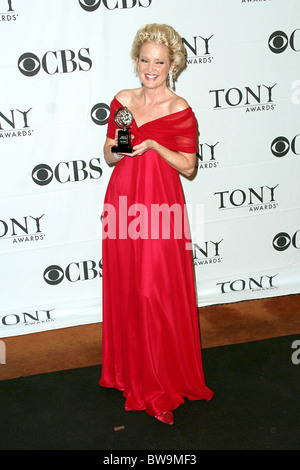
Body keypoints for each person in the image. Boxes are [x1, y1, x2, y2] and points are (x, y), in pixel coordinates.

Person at [99, 23, 213, 425]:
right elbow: (110, 155)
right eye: (145, 60)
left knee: (154, 291)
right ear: (136, 61)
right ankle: (131, 375)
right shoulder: (123, 100)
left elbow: (189, 166)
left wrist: (154, 145)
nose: (151, 67)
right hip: (123, 202)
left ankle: (160, 382)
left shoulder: (180, 109)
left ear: (172, 64)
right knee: (130, 286)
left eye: (159, 62)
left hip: (161, 207)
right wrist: (118, 146)